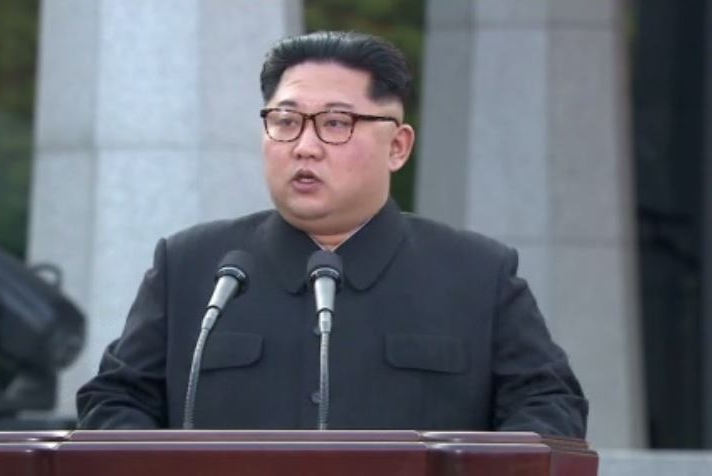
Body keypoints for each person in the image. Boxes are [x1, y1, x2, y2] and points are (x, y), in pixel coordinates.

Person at [76, 30, 588, 437]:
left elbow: (549, 408)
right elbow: (113, 402)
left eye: (336, 123)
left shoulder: (477, 274)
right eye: (286, 121)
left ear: (398, 146)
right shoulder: (194, 267)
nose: (305, 146)